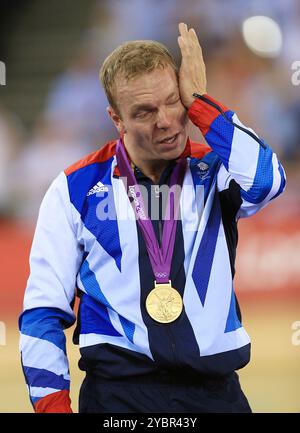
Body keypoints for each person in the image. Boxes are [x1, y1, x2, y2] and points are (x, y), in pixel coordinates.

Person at [19, 23, 286, 413]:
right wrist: (53, 408)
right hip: (119, 399)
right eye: (144, 112)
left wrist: (201, 103)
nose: (164, 121)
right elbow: (42, 313)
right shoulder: (74, 191)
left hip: (217, 395)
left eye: (172, 102)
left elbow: (267, 182)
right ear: (117, 119)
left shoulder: (214, 168)